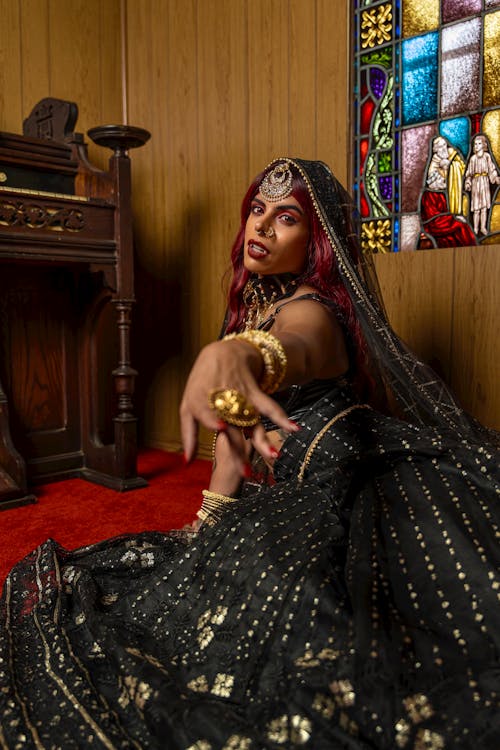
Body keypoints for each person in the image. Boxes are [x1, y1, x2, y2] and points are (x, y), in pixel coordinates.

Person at [1, 158, 499, 749]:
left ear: (315, 242)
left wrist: (244, 356)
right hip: (298, 488)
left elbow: (296, 347)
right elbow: (232, 444)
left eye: (285, 218)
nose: (261, 227)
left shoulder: (314, 312)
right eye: (257, 212)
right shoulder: (257, 307)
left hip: (363, 482)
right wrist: (208, 522)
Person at [464, 133, 500, 236]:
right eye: (475, 144)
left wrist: (495, 178)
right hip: (476, 184)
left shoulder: (487, 156)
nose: (477, 146)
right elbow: (469, 173)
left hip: (484, 183)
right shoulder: (473, 159)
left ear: (484, 145)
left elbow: (491, 169)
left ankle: (483, 228)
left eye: (479, 143)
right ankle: (475, 229)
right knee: (476, 209)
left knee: (484, 208)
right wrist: (468, 182)